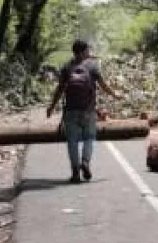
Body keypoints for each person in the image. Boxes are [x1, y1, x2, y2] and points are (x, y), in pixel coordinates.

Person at [47, 40, 121, 183]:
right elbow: (103, 85)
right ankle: (85, 162)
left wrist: (51, 107)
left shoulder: (67, 67)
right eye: (88, 50)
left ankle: (75, 172)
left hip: (71, 111)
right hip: (88, 110)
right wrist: (115, 95)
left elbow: (59, 90)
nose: (89, 53)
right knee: (89, 137)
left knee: (72, 141)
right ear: (83, 51)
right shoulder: (92, 66)